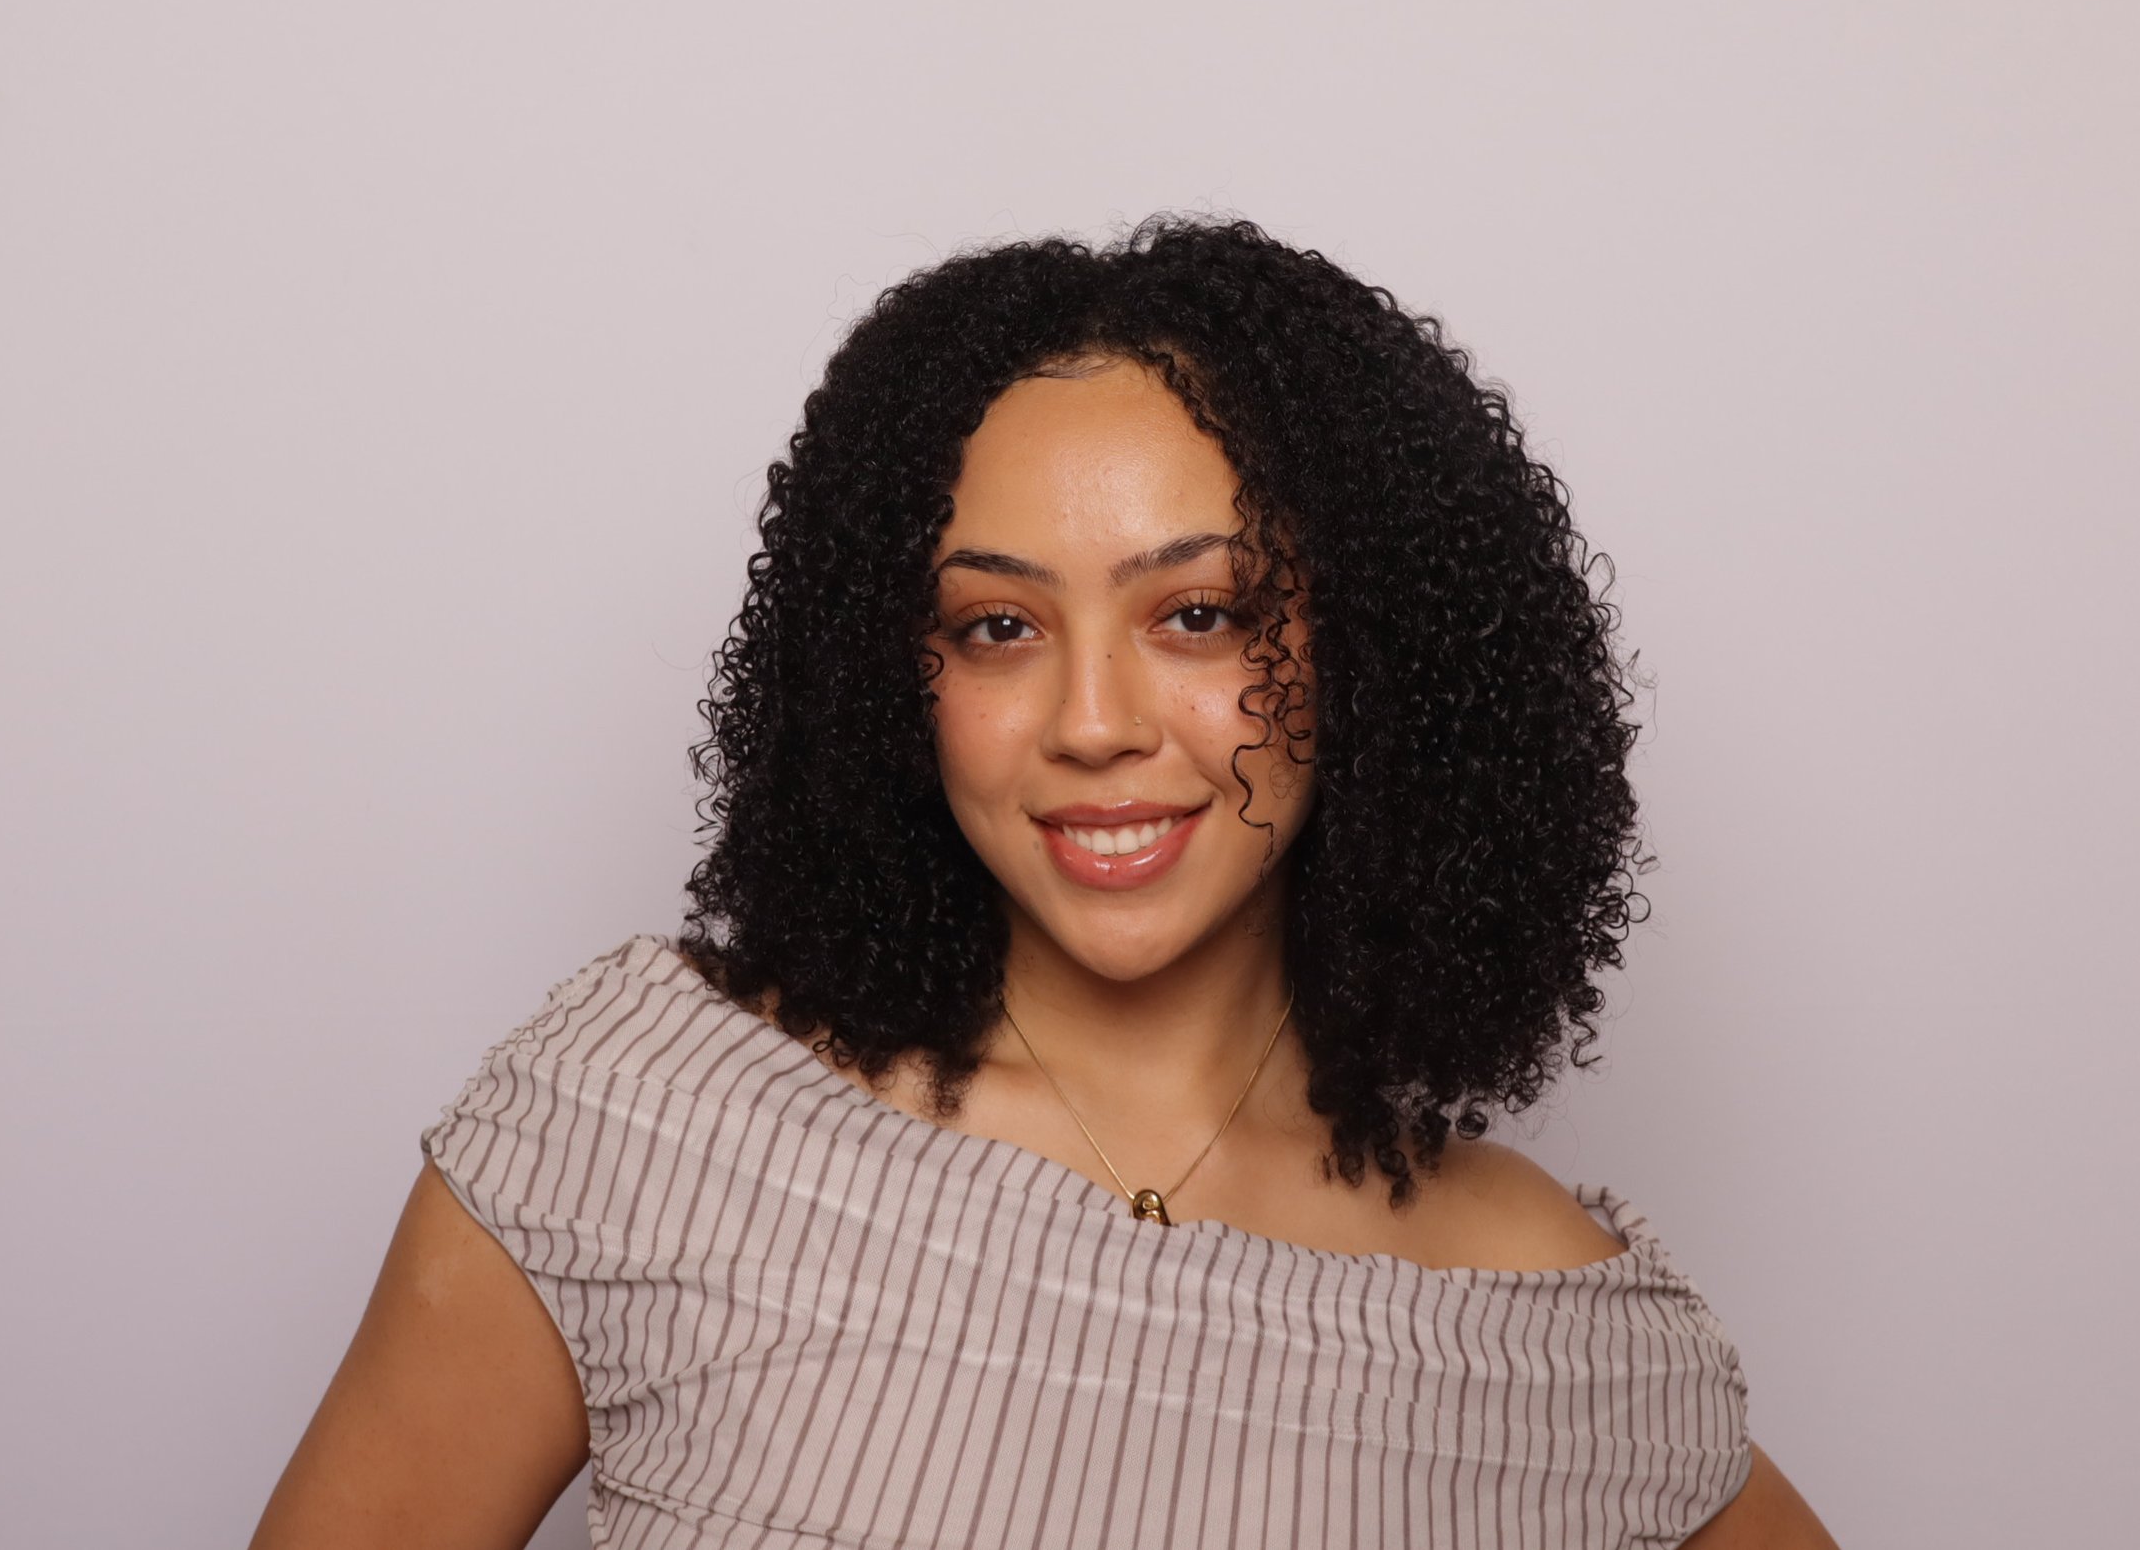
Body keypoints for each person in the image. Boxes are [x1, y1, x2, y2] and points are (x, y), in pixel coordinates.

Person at [251, 216, 1840, 1548]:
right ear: (896, 678)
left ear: (1374, 652)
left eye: (1199, 615)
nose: (1092, 724)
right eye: (997, 628)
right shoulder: (642, 1124)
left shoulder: (1554, 1336)